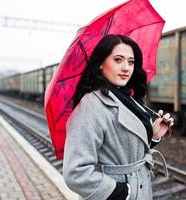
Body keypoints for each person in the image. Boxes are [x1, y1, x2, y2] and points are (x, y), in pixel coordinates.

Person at [63, 34, 174, 200]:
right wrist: (121, 192)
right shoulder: (91, 105)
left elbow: (123, 148)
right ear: (100, 63)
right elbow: (75, 172)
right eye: (118, 60)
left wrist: (154, 135)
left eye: (131, 62)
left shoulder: (127, 98)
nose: (126, 68)